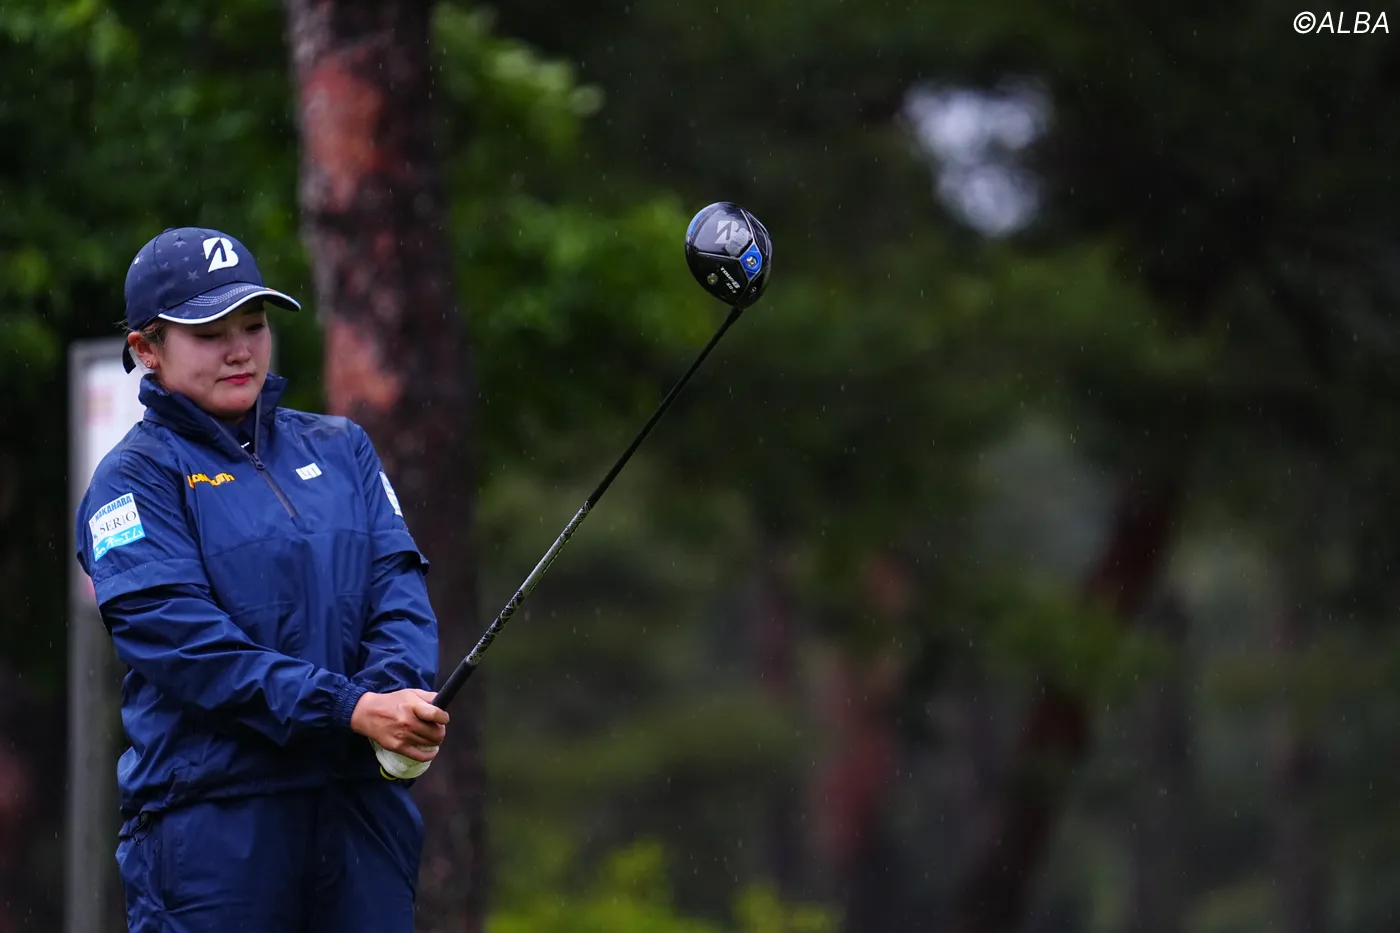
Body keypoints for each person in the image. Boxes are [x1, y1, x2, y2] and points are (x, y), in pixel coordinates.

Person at [74, 226, 451, 932]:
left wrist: (391, 702)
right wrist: (349, 708)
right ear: (147, 349)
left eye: (252, 325)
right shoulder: (132, 479)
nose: (240, 349)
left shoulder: (342, 448)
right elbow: (189, 649)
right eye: (209, 333)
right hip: (213, 827)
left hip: (358, 814)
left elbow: (398, 592)